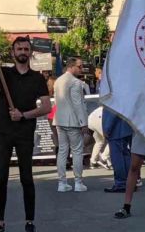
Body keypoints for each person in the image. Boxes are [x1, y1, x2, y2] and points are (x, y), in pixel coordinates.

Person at [0, 37, 51, 232]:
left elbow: (46, 106)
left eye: (25, 48)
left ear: (30, 53)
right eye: (19, 48)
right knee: (1, 178)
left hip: (24, 133)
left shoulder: (37, 78)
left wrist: (24, 115)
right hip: (3, 132)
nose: (22, 51)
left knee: (26, 178)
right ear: (13, 53)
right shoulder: (4, 73)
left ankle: (29, 221)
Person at [54, 57, 89, 192]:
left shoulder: (58, 80)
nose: (81, 69)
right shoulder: (75, 82)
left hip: (59, 120)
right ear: (71, 66)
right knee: (77, 151)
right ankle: (78, 182)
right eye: (79, 66)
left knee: (63, 151)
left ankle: (61, 183)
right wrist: (83, 122)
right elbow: (77, 104)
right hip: (73, 121)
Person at [102, 108, 132, 193]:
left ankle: (121, 183)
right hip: (125, 128)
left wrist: (107, 129)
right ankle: (131, 182)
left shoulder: (111, 95)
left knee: (117, 158)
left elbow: (111, 112)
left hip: (116, 130)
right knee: (125, 156)